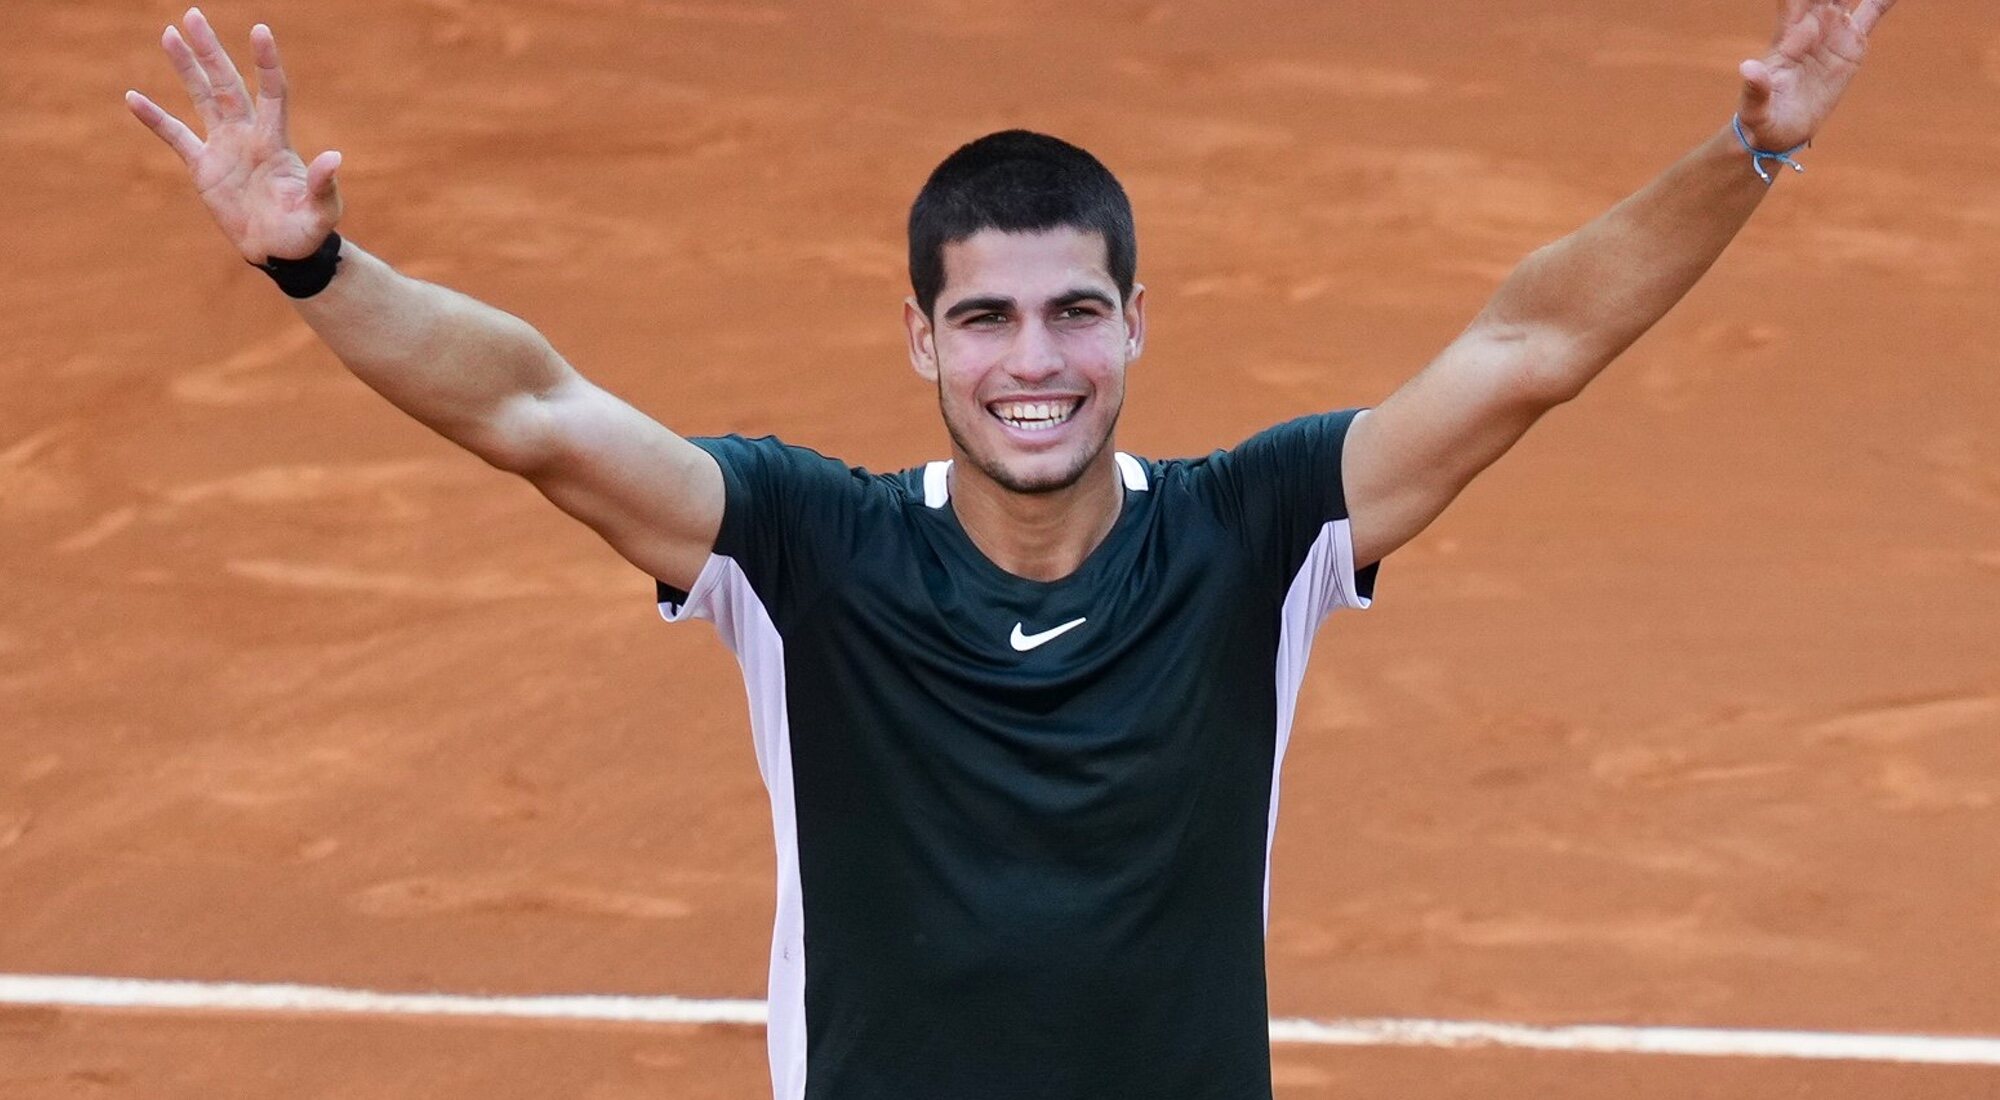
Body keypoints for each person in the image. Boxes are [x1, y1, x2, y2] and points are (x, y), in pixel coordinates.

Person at [126, 2, 1899, 1096]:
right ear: (921, 342)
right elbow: (529, 410)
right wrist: (316, 268)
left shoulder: (1256, 530)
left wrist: (1750, 150)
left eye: (1071, 315)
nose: (1031, 365)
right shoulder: (798, 552)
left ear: (1136, 327)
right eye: (984, 321)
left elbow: (1528, 350)